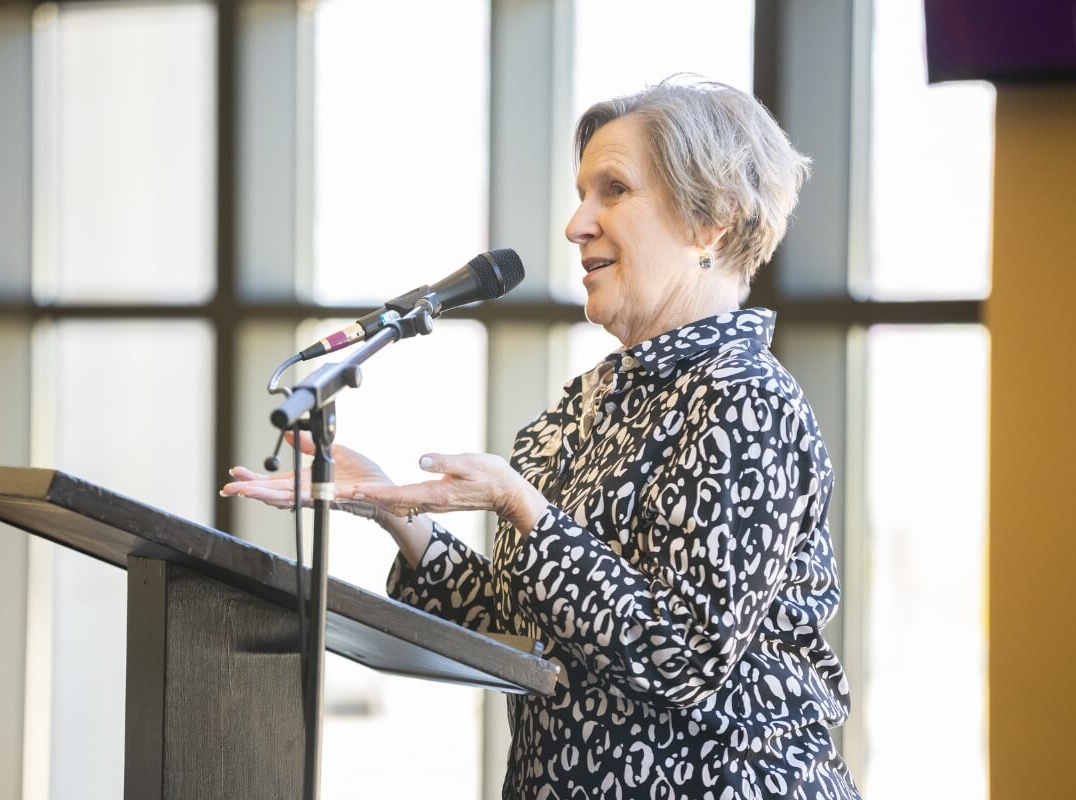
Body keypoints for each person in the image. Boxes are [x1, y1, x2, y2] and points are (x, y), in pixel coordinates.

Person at [223, 78, 861, 799]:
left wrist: (521, 505)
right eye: (582, 191)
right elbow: (529, 627)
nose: (577, 223)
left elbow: (683, 658)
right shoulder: (589, 403)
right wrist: (395, 513)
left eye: (614, 190)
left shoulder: (748, 402)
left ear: (709, 222)